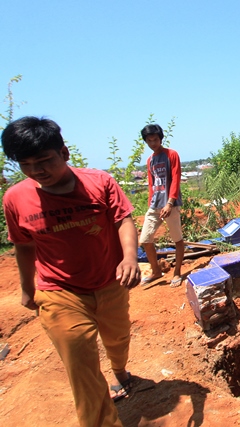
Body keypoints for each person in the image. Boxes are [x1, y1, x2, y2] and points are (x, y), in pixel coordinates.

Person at [1, 116, 141, 427]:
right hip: (59, 292)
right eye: (26, 164)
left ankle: (120, 370)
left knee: (117, 338)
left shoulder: (100, 183)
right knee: (81, 366)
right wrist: (27, 288)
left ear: (64, 153)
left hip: (110, 282)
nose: (37, 170)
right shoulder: (15, 199)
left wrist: (130, 258)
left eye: (44, 160)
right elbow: (23, 246)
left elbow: (123, 220)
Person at [139, 124, 185, 287]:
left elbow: (176, 178)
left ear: (161, 139)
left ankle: (177, 272)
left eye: (155, 139)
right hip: (155, 205)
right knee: (145, 239)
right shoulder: (150, 160)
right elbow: (151, 184)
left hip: (170, 204)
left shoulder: (171, 155)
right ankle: (156, 271)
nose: (153, 143)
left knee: (177, 239)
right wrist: (151, 203)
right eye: (149, 140)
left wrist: (170, 202)